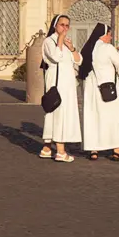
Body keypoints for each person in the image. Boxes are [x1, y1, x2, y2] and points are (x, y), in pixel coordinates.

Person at [79, 23, 119, 161]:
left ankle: (93, 150)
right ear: (104, 35)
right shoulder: (108, 48)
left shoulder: (88, 49)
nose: (111, 37)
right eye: (109, 34)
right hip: (109, 89)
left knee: (93, 118)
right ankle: (116, 149)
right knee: (113, 119)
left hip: (92, 89)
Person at [40, 14, 82, 162]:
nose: (65, 28)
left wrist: (71, 48)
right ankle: (60, 151)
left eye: (67, 25)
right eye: (62, 25)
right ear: (55, 25)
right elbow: (55, 57)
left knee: (56, 114)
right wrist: (59, 40)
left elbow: (79, 60)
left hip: (68, 84)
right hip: (57, 83)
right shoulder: (49, 41)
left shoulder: (66, 42)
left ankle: (46, 148)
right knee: (58, 113)